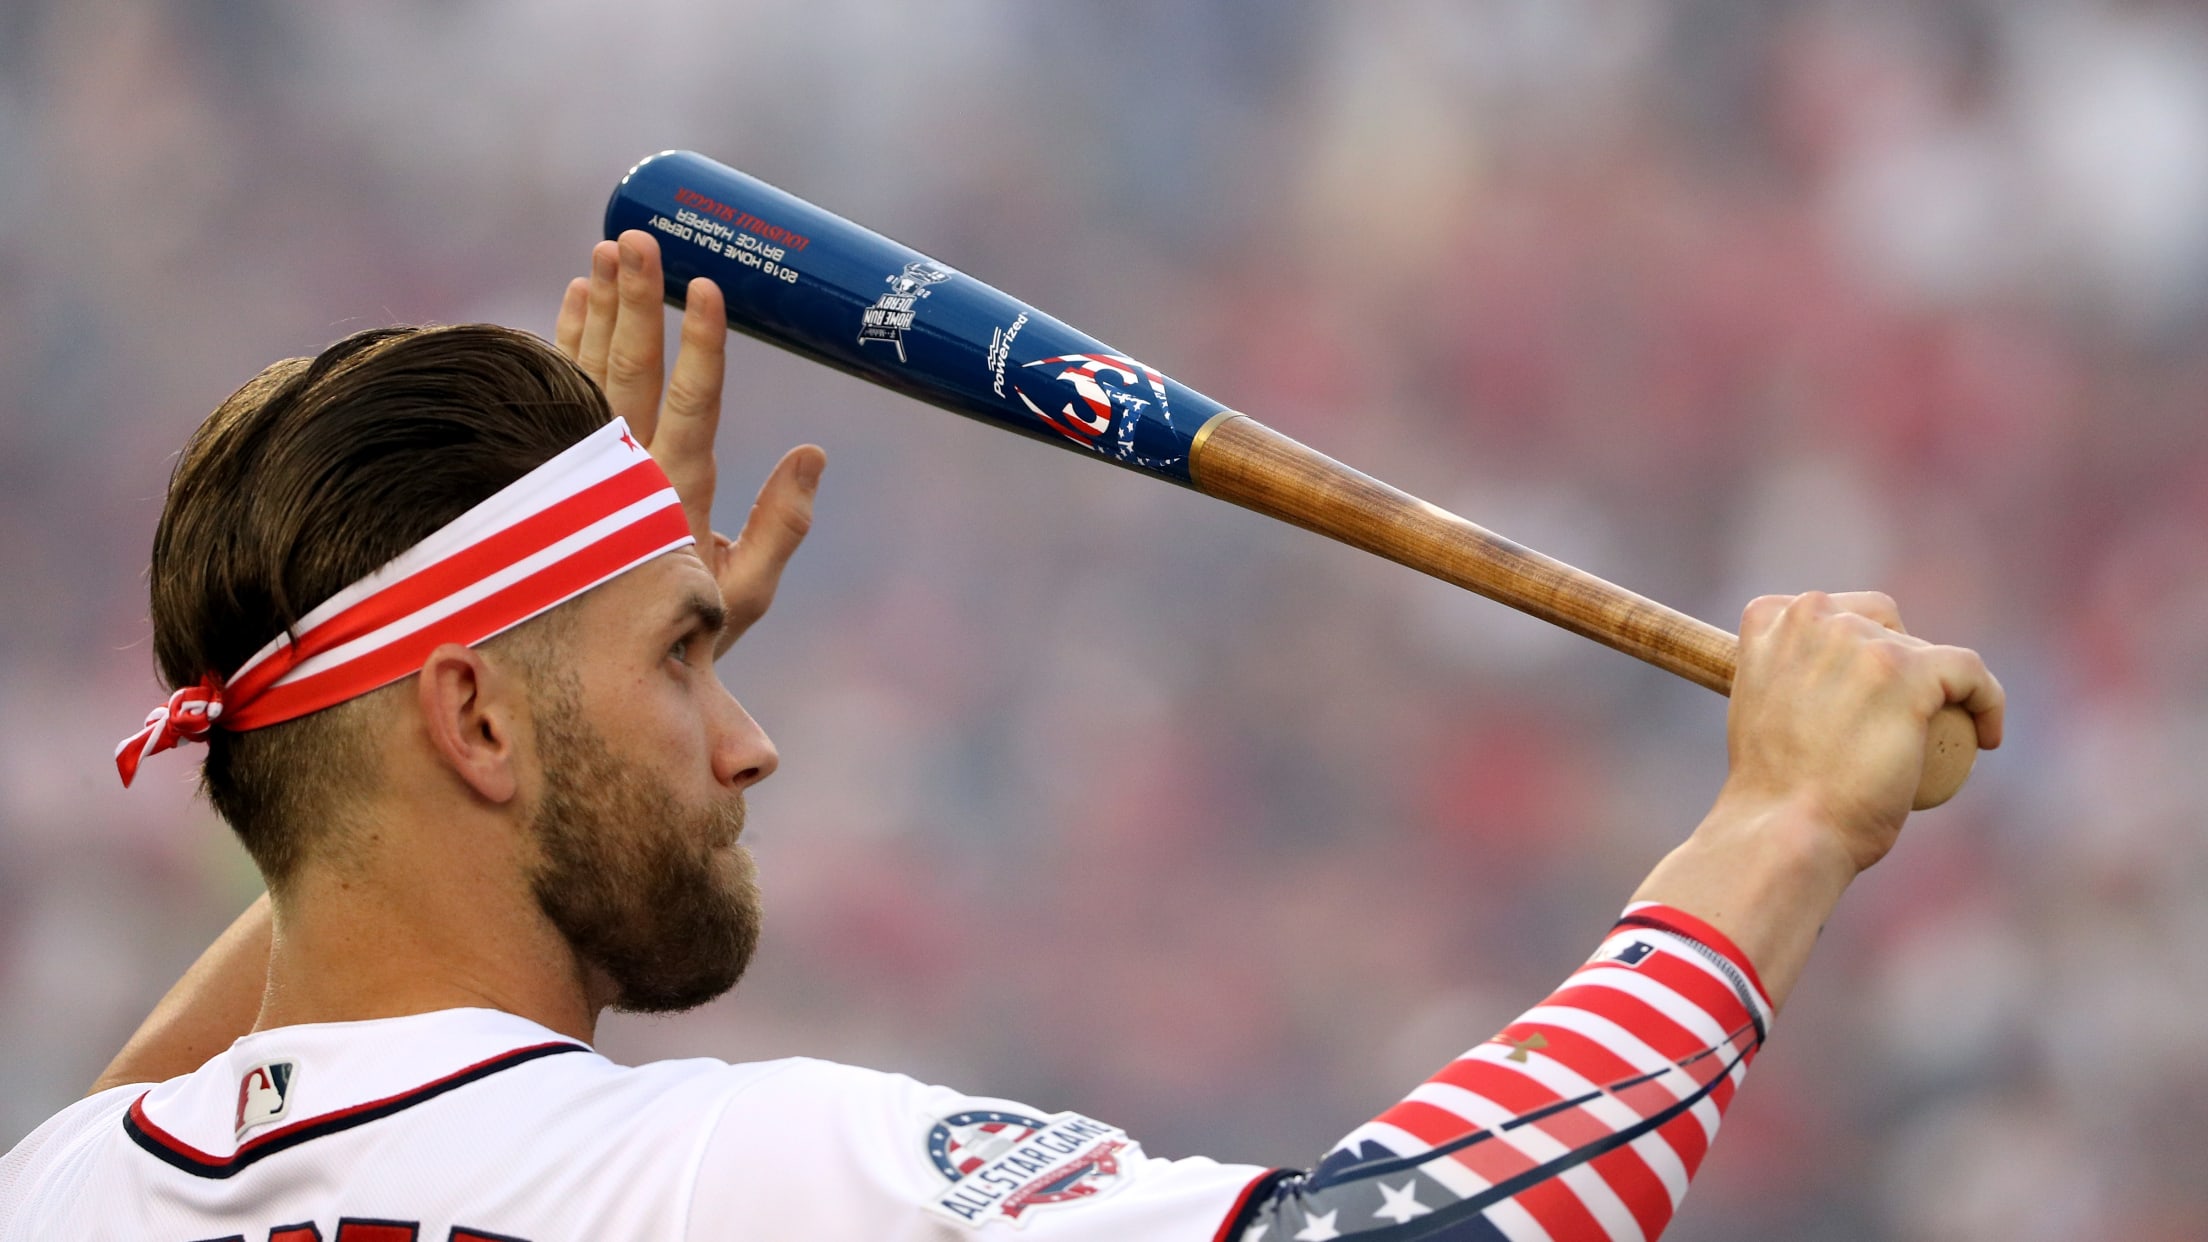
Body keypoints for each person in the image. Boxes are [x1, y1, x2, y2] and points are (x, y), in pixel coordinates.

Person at [0, 231, 2002, 1242]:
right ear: (476, 726)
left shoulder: (74, 1191)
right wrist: (1778, 825)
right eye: (695, 666)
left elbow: (275, 983)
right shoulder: (745, 1179)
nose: (749, 742)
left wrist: (585, 645)